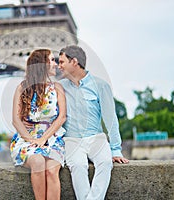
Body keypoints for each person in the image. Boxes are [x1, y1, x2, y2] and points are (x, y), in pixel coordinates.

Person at [58, 45, 129, 200]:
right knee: (78, 166)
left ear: (74, 62)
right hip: (72, 140)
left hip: (96, 138)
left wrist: (115, 149)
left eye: (62, 62)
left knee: (105, 162)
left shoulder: (100, 85)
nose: (59, 65)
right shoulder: (60, 87)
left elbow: (110, 119)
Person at [10, 49, 67, 200]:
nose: (55, 64)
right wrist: (32, 140)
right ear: (43, 64)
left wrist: (43, 139)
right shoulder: (22, 88)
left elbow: (61, 118)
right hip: (27, 138)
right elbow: (16, 120)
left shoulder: (57, 88)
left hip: (52, 138)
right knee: (38, 162)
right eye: (52, 60)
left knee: (52, 170)